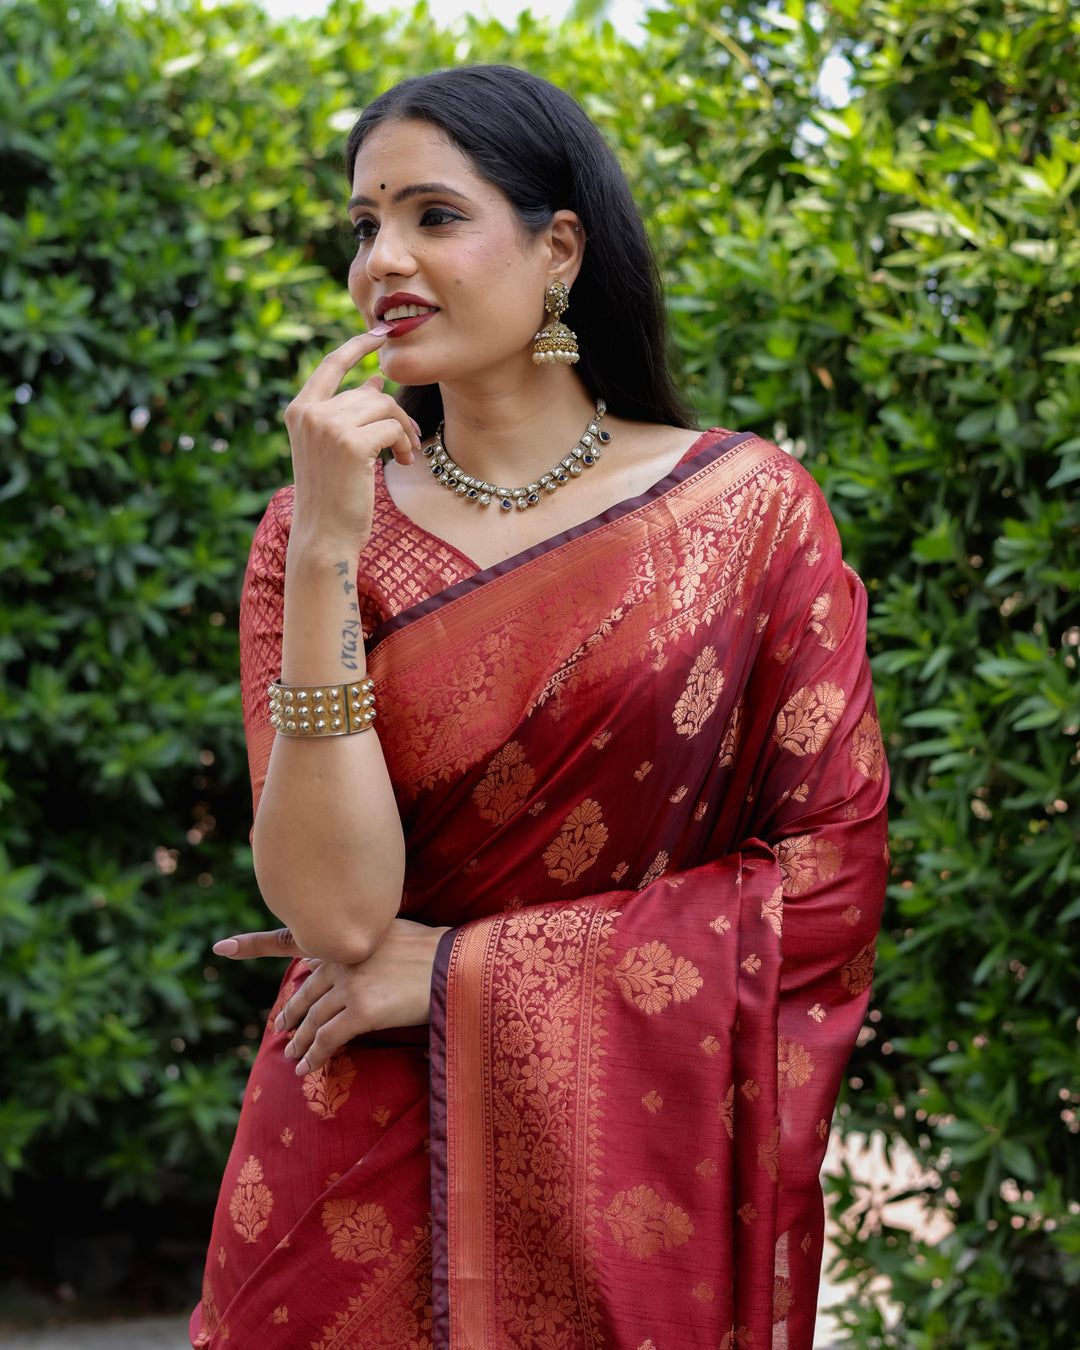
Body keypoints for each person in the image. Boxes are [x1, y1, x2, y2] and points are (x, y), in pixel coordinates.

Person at [190, 64, 888, 1350]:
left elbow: (827, 879)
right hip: (350, 1157)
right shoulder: (312, 533)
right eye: (363, 225)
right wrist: (330, 554)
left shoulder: (743, 511)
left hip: (621, 1188)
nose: (381, 260)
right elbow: (335, 914)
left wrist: (461, 969)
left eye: (432, 216)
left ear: (558, 248)